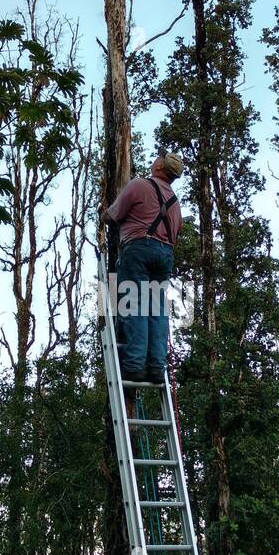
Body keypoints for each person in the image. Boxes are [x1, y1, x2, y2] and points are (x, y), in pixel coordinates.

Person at [103, 153, 183, 384]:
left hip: (138, 250)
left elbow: (113, 215)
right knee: (157, 310)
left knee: (133, 304)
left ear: (160, 167)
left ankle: (134, 365)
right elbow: (176, 234)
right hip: (165, 255)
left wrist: (103, 214)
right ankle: (157, 368)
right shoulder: (175, 202)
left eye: (159, 159)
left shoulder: (139, 185)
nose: (155, 160)